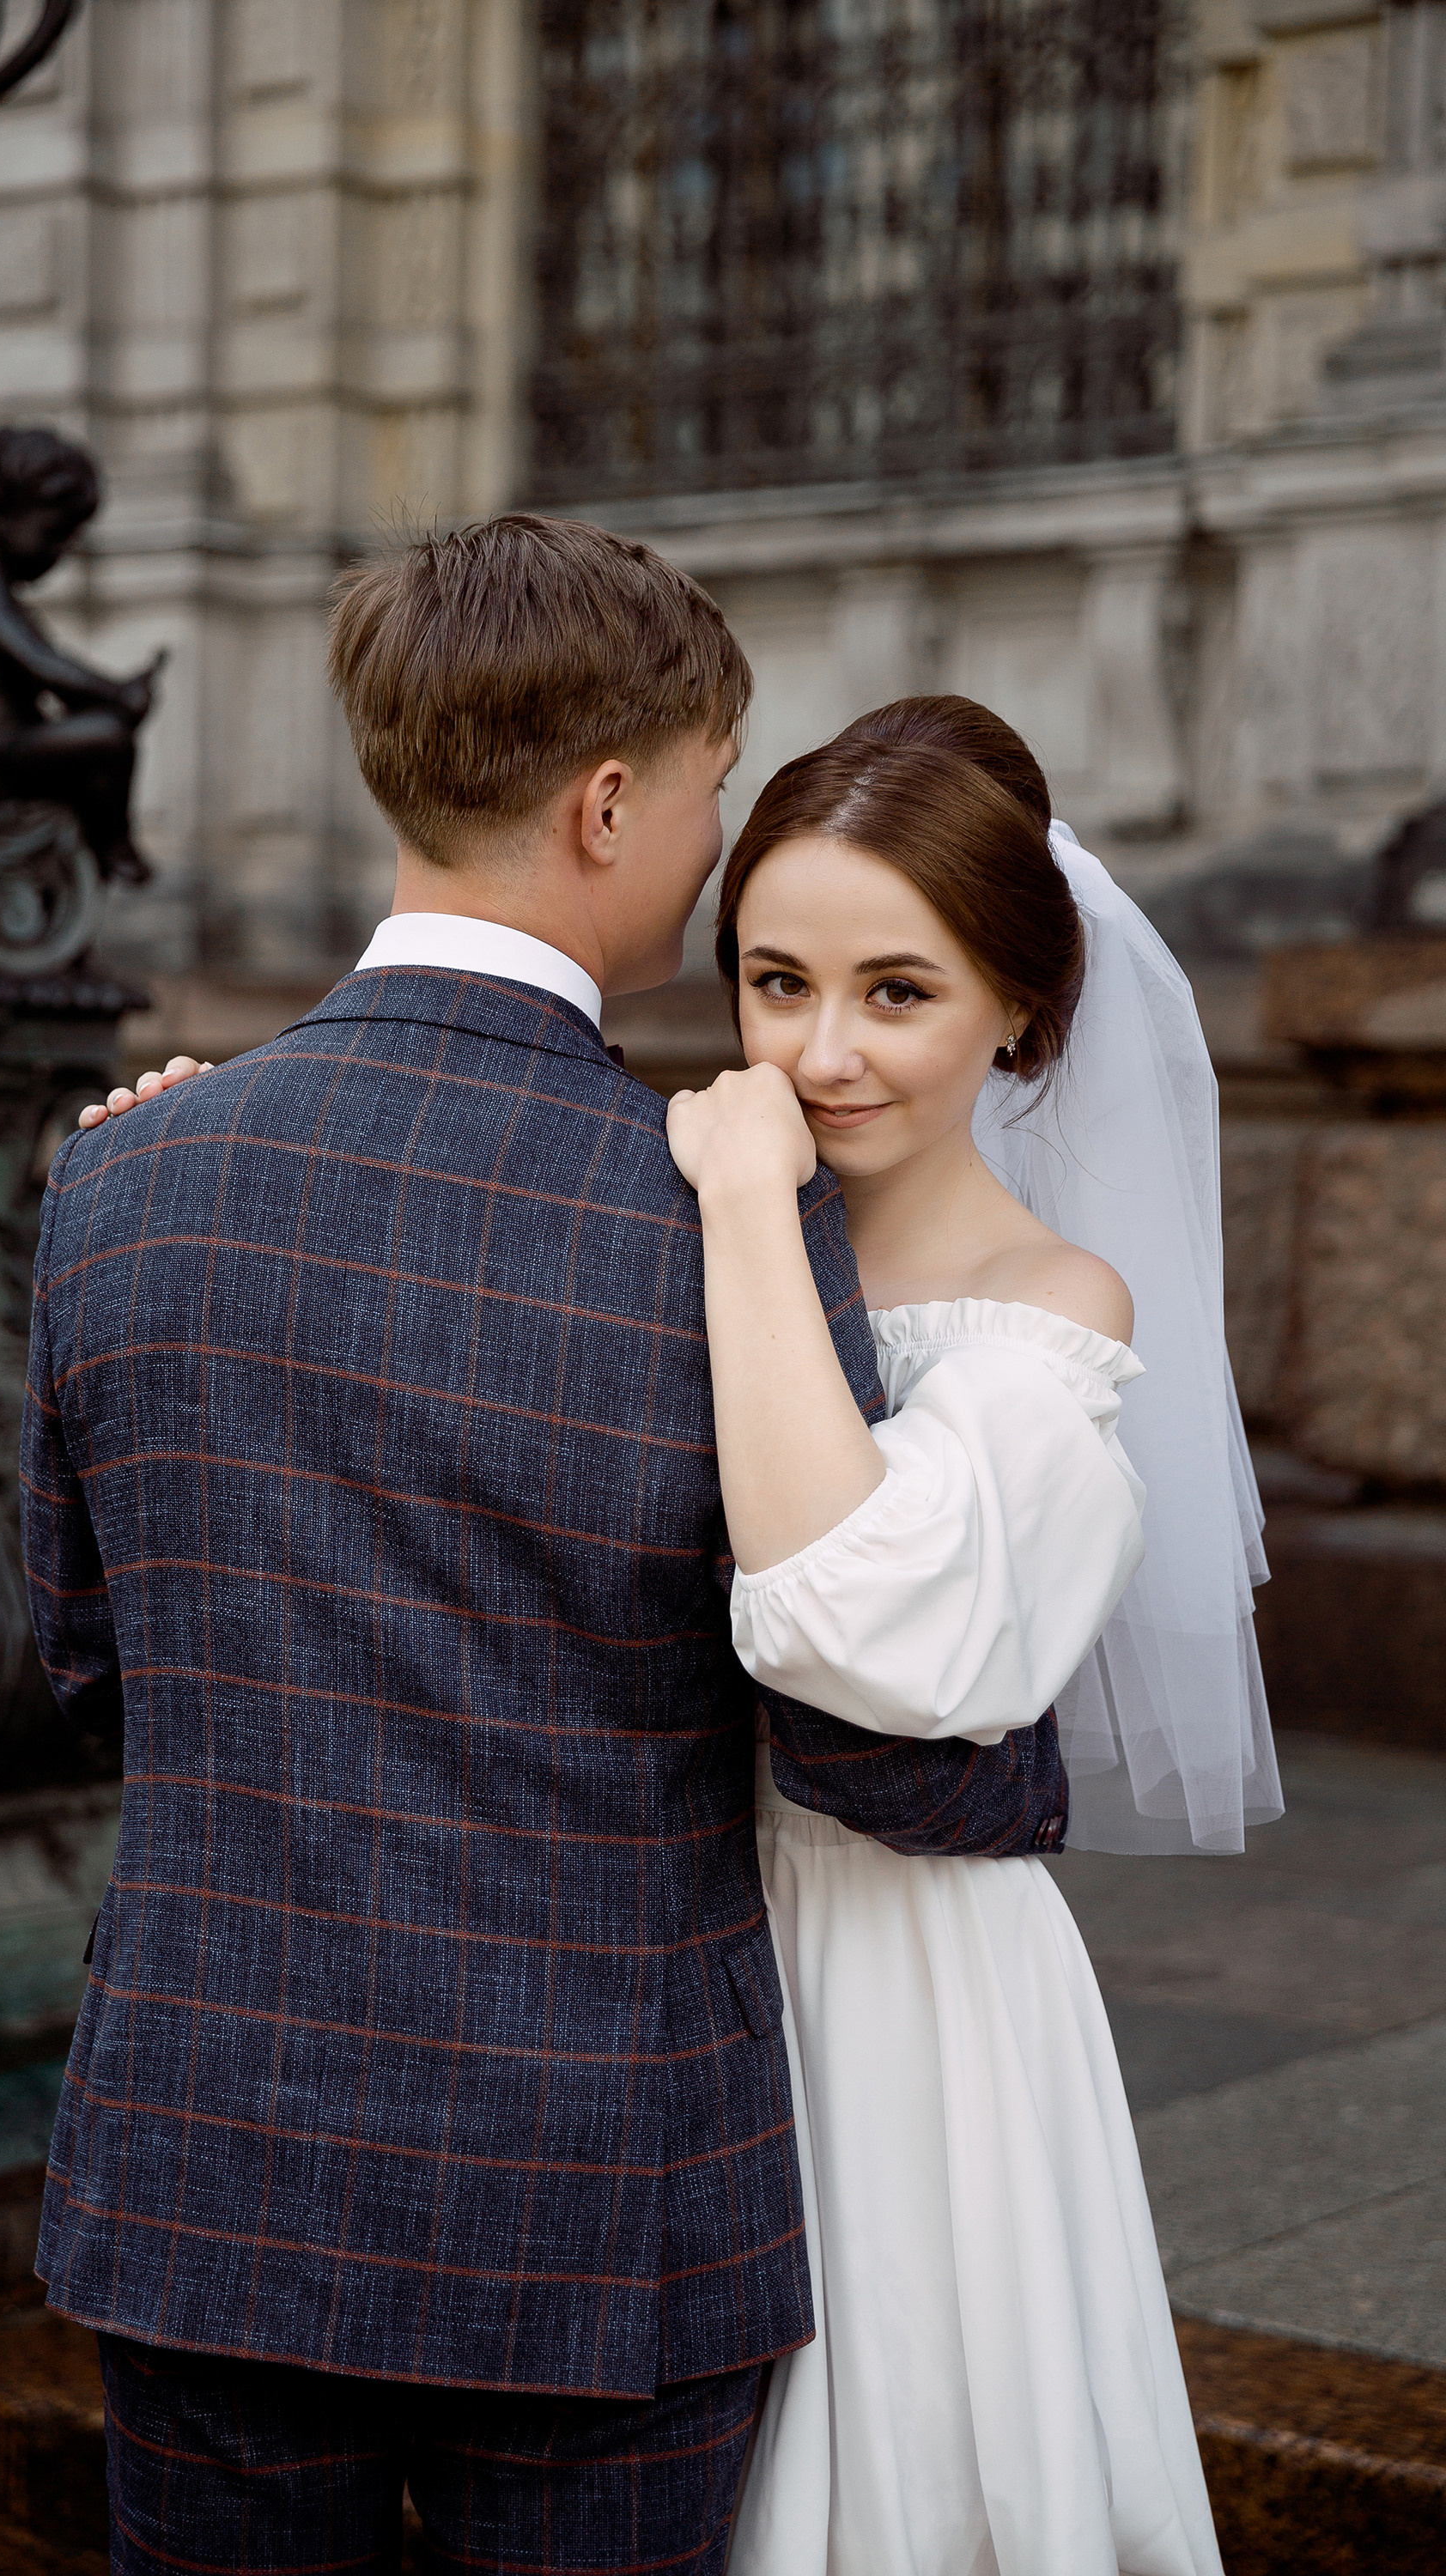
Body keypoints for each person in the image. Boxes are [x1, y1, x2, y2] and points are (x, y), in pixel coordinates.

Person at [101, 690, 1278, 2573]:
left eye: (898, 992)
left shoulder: (1050, 1305)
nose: (821, 1052)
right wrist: (207, 1168)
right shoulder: (642, 1197)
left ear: (1019, 1011)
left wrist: (742, 1204)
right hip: (617, 1981)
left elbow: (875, 1640)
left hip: (885, 1984)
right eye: (776, 982)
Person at [0, 427, 163, 884]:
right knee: (108, 737)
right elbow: (41, 664)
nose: (59, 552)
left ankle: (101, 847)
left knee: (102, 729)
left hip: (11, 746)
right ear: (3, 516)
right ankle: (113, 846)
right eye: (53, 534)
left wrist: (109, 696)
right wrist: (115, 693)